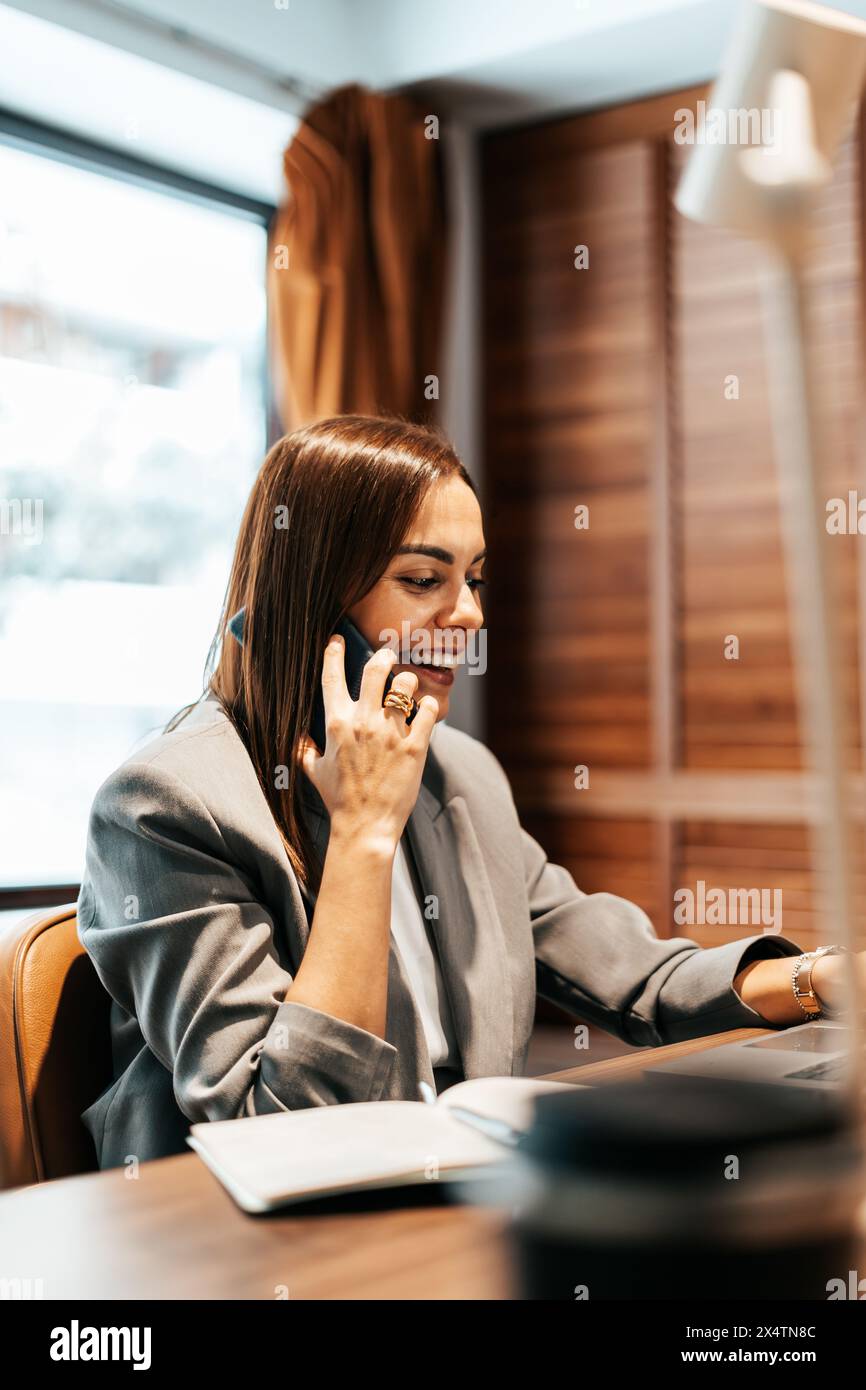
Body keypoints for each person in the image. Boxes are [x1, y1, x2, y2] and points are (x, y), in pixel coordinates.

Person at [76, 415, 860, 1170]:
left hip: (455, 1207)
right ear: (310, 600)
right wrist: (363, 835)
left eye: (475, 579)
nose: (471, 614)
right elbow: (286, 1125)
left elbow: (641, 981)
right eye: (423, 579)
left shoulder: (459, 773)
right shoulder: (163, 805)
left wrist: (821, 978)